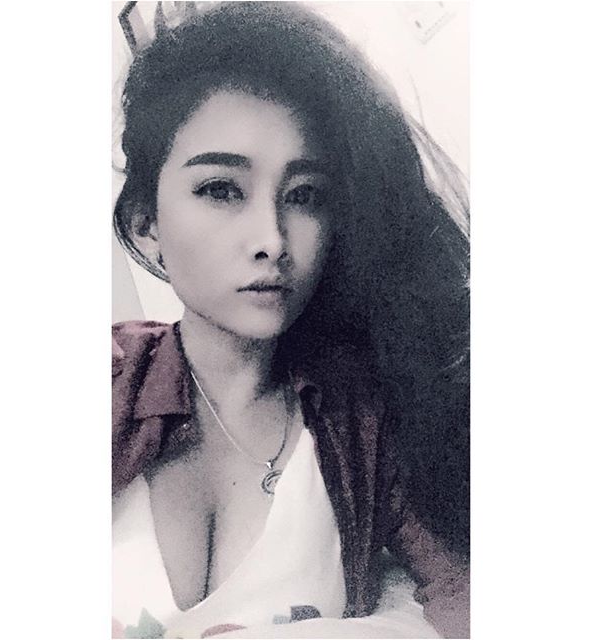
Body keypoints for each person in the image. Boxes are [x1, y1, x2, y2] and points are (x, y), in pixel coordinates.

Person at [112, 2, 470, 638]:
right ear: (147, 226)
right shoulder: (108, 380)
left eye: (304, 196)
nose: (272, 240)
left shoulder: (363, 417)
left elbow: (465, 592)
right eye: (221, 189)